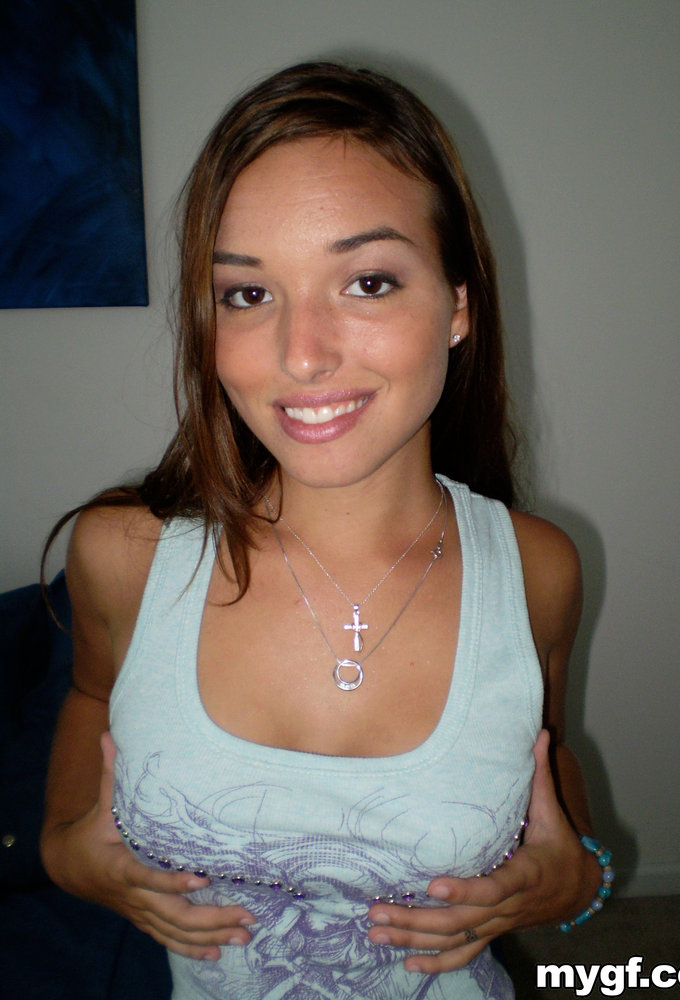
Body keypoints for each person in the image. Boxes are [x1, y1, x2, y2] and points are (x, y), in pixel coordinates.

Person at [40, 61, 607, 999]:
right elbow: (92, 696)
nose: (301, 356)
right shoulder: (124, 556)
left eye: (368, 281)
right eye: (247, 294)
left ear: (459, 306)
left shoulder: (537, 569)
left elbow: (544, 746)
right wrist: (65, 849)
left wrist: (575, 877)